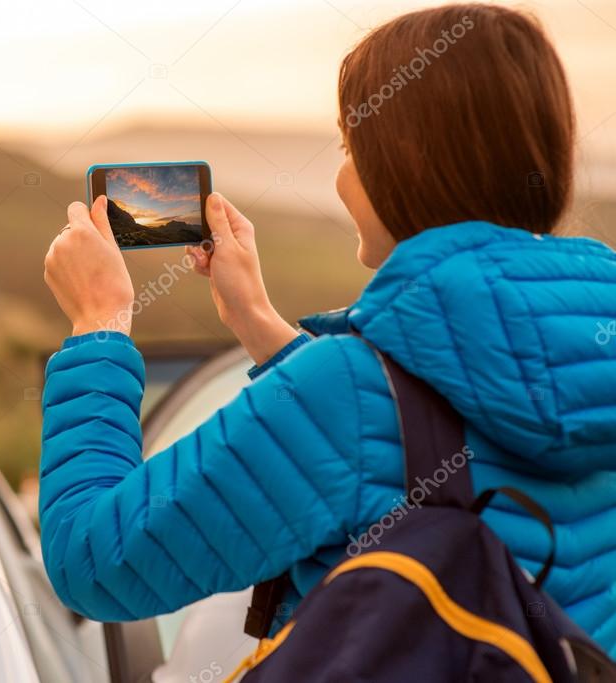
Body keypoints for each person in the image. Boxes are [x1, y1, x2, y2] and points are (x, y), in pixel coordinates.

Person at [39, 2, 616, 657]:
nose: (343, 175)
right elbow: (416, 426)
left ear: (401, 162)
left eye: (350, 147)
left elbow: (93, 559)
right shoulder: (594, 353)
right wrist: (255, 320)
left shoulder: (341, 392)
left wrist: (98, 324)